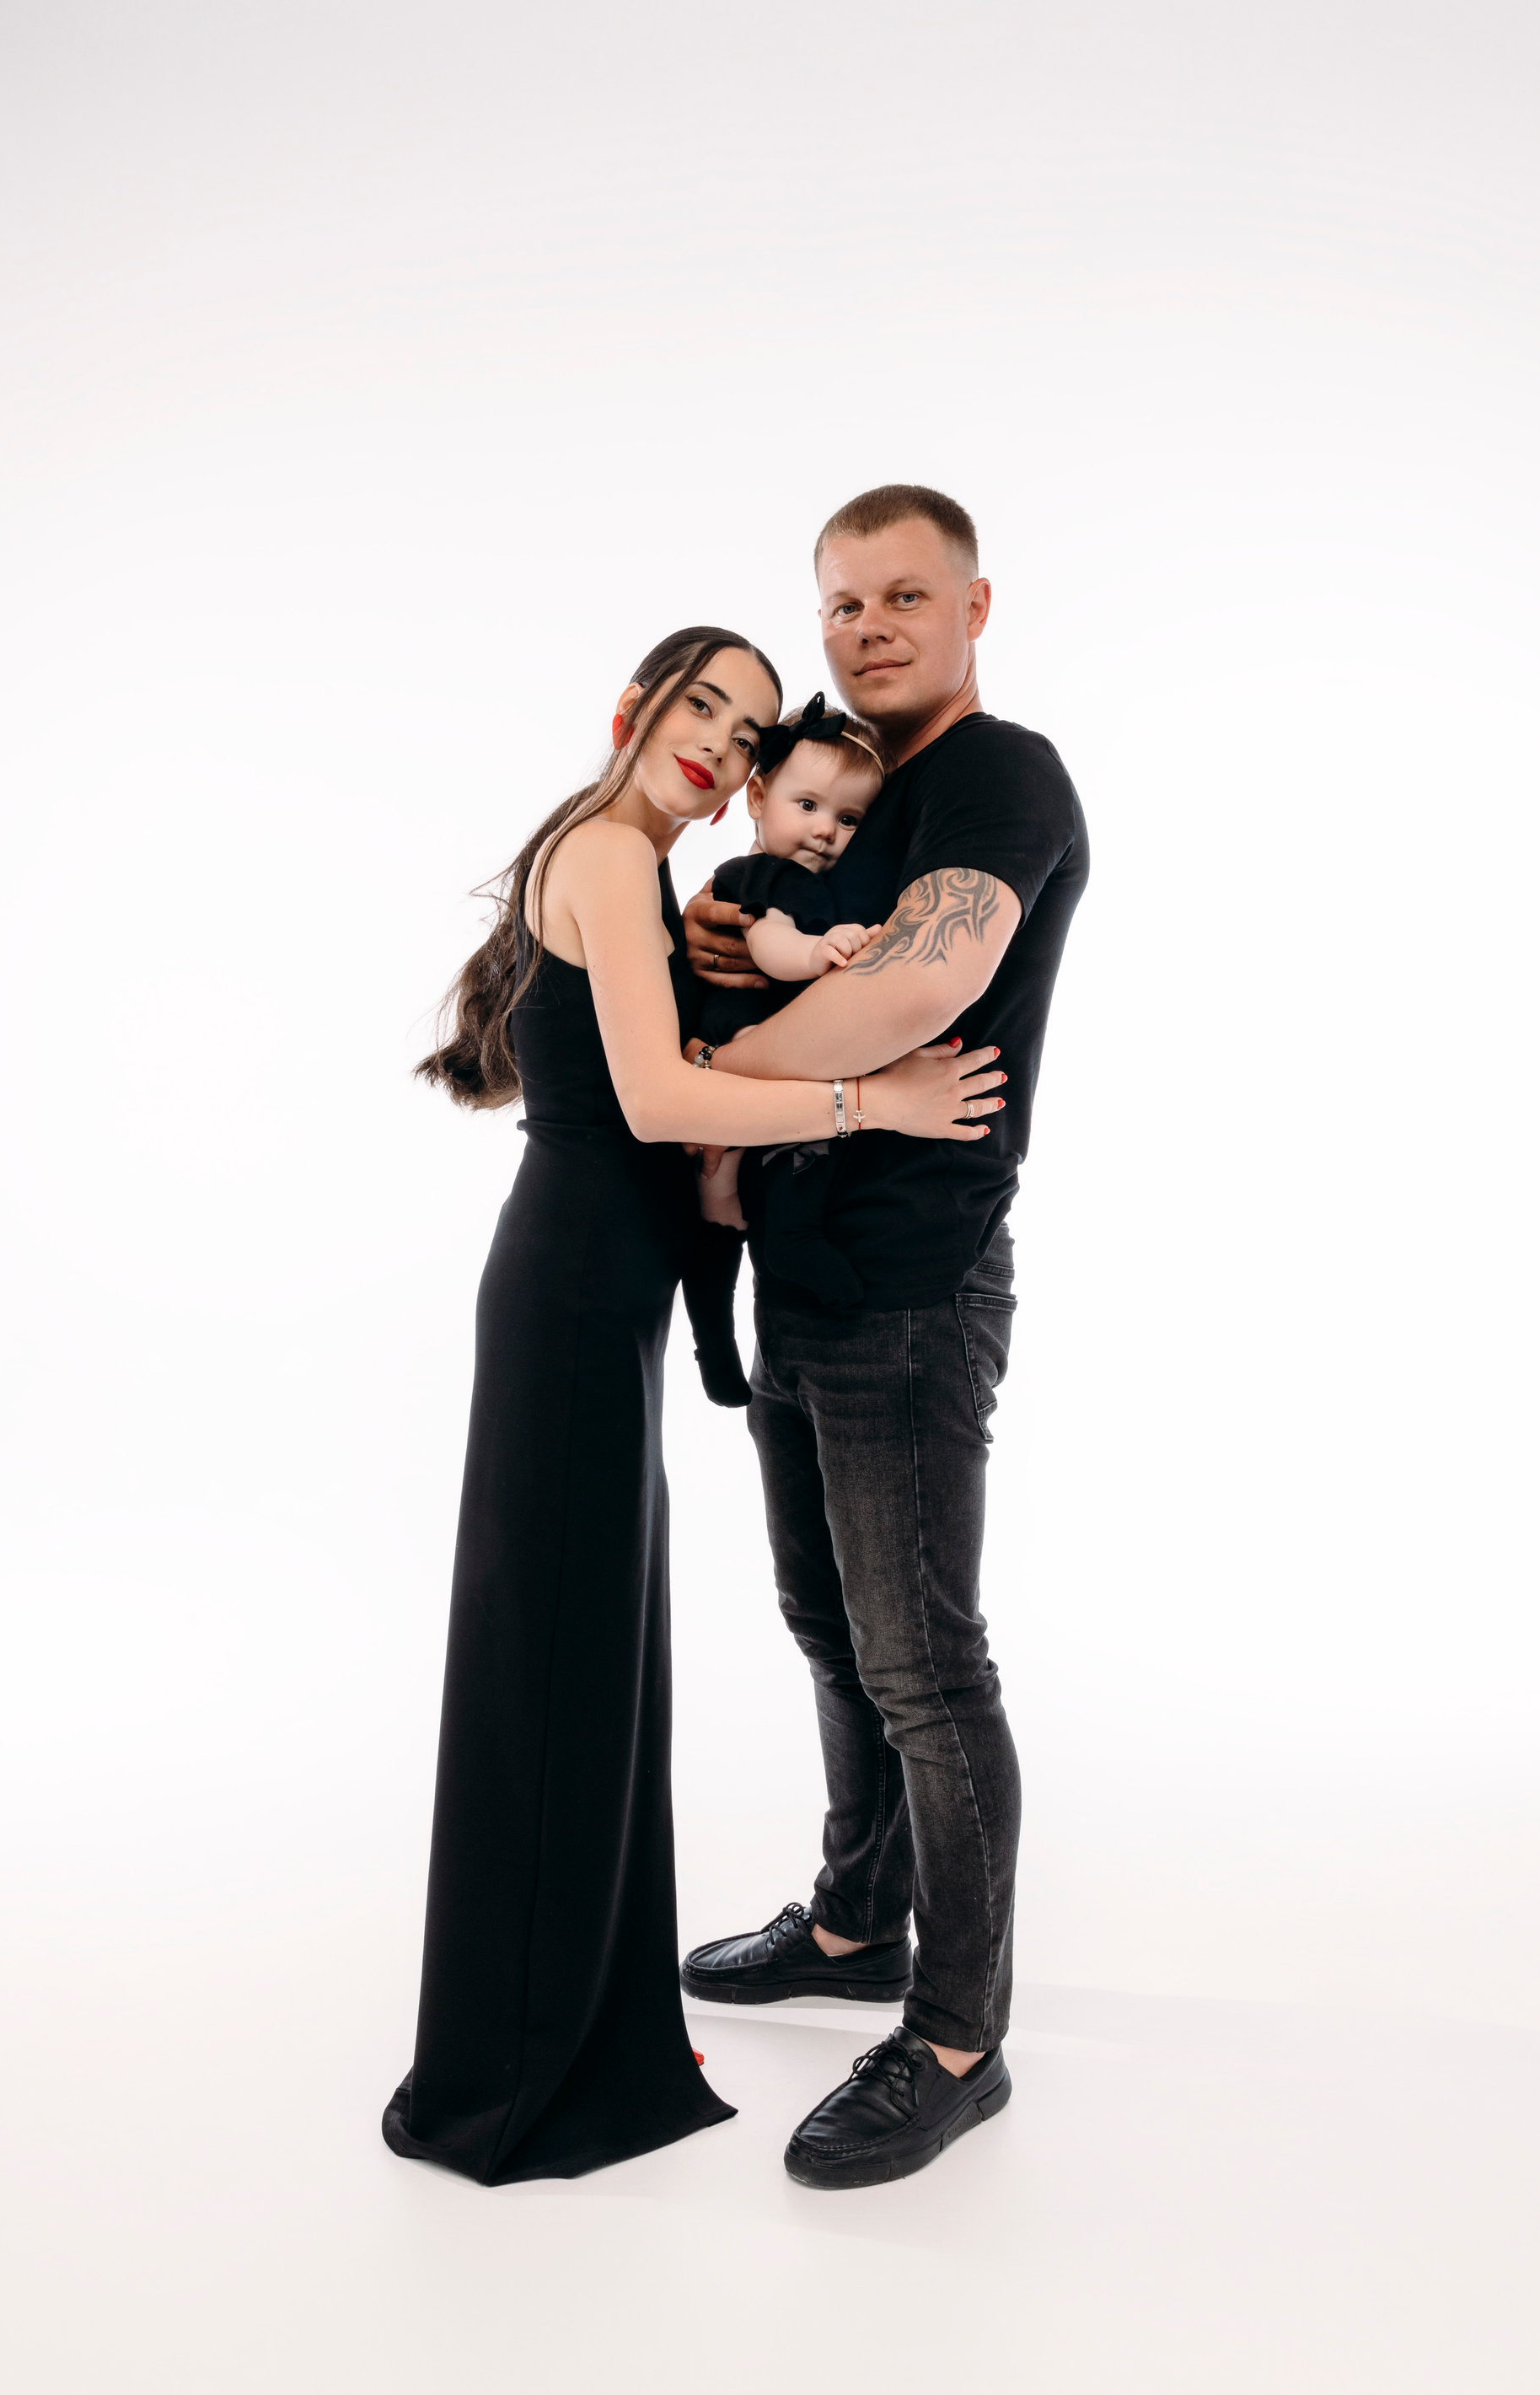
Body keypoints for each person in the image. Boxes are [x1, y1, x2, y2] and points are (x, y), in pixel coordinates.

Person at [382, 625, 1006, 2187]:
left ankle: (575, 2023)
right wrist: (872, 1098)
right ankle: (517, 2070)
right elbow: (658, 1101)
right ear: (634, 709)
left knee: (587, 1657)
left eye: (744, 730)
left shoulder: (648, 876)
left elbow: (639, 1071)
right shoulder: (607, 854)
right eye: (702, 706)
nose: (721, 742)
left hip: (606, 1303)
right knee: (553, 1660)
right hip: (572, 1305)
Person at [678, 486, 1090, 2191]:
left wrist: (707, 1068)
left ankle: (958, 2037)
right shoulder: (847, 790)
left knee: (924, 1663)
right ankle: (857, 1922)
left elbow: (918, 989)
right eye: (843, 603)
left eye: (906, 595)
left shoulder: (1001, 778)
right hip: (800, 1267)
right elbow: (782, 961)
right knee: (828, 1625)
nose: (870, 627)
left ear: (975, 607)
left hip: (916, 1283)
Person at [680, 691, 886, 1407]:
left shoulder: (820, 879)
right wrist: (818, 951)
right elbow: (770, 942)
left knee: (769, 1179)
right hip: (738, 1040)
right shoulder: (764, 877)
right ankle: (717, 1332)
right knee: (727, 1186)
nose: (826, 830)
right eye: (808, 806)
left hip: (765, 1053)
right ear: (758, 798)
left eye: (849, 819)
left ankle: (723, 1330)